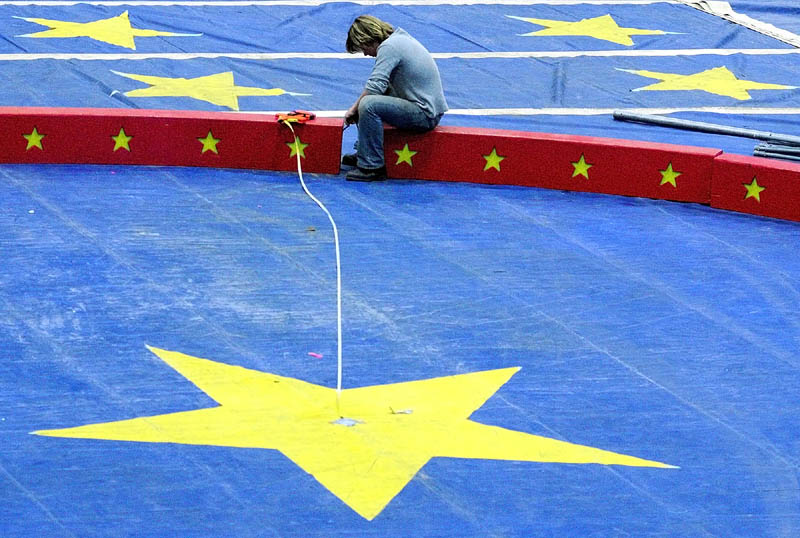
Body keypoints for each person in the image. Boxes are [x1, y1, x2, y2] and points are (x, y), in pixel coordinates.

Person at [343, 16, 448, 182]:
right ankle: (365, 152)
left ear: (369, 39)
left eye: (362, 48)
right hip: (424, 107)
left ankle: (372, 166)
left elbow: (374, 85)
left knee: (368, 104)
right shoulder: (399, 39)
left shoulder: (389, 47)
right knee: (370, 101)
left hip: (424, 114)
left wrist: (353, 109)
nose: (364, 54)